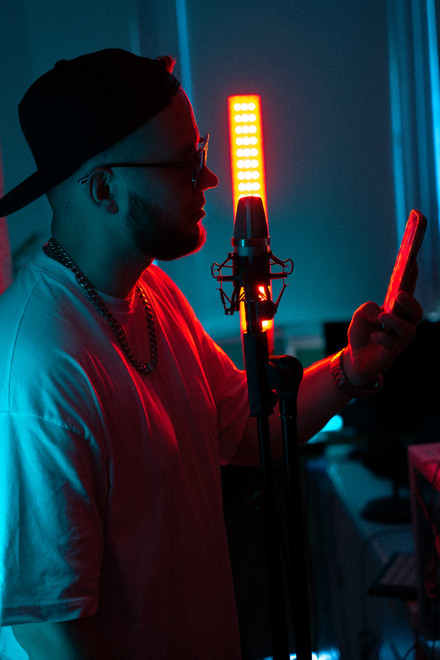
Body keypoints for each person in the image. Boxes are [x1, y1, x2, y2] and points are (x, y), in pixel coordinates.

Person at [0, 49, 422, 659]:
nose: (209, 180)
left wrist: (351, 371)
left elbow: (246, 428)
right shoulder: (40, 367)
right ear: (105, 189)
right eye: (183, 163)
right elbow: (50, 627)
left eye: (199, 153)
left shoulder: (152, 292)